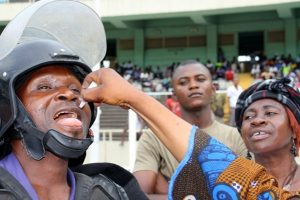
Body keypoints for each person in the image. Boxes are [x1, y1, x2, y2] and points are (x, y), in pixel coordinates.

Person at [0, 1, 147, 199]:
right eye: (44, 87)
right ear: (8, 108)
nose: (69, 95)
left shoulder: (110, 192)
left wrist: (135, 99)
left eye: (75, 89)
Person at [81, 68, 300, 199]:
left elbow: (234, 178)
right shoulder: (238, 176)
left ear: (294, 127)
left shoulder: (240, 180)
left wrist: (132, 97)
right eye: (249, 117)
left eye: (270, 113)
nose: (258, 120)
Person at [132, 60, 247, 199]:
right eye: (183, 82)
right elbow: (137, 196)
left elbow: (247, 194)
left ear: (213, 89)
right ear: (174, 94)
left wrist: (172, 190)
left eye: (200, 79)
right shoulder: (154, 136)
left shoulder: (236, 136)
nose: (193, 85)